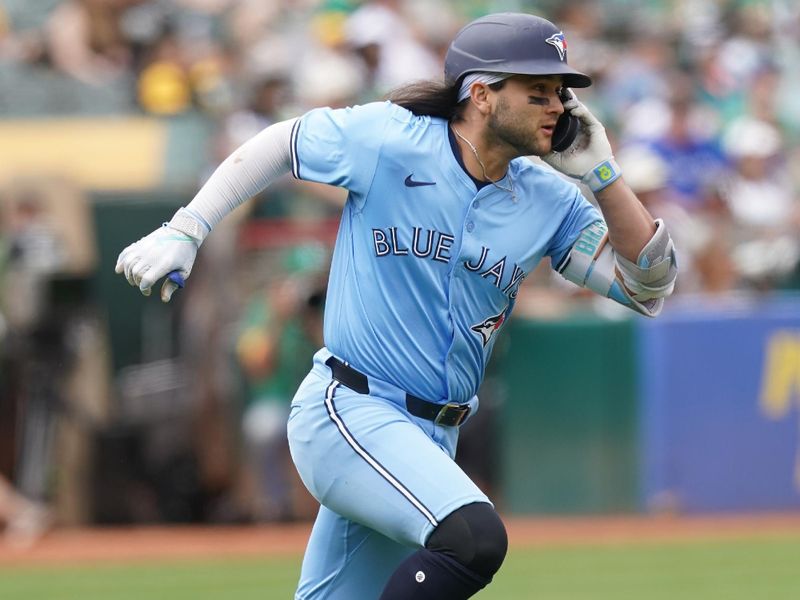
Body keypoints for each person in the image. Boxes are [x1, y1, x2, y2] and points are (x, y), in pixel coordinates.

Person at [115, 13, 677, 599]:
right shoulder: (393, 139)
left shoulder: (549, 200)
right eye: (537, 92)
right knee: (474, 539)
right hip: (351, 409)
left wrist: (605, 175)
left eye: (560, 94)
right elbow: (280, 143)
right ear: (481, 94)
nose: (557, 106)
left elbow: (646, 286)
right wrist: (188, 227)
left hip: (433, 434)